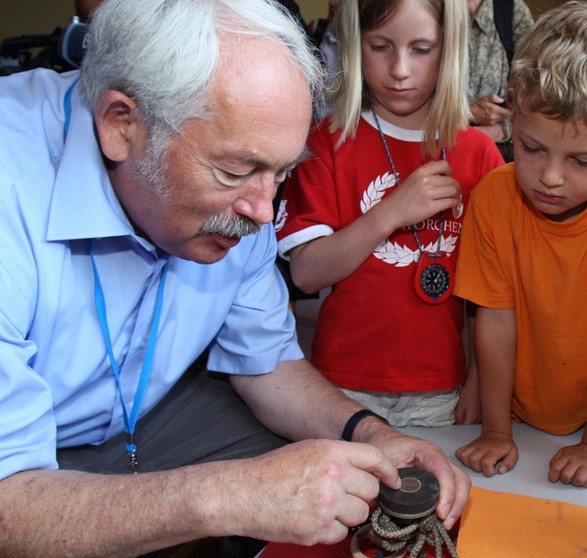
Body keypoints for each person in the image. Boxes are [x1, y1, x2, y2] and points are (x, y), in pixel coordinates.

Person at [0, 0, 471, 555]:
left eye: (283, 172)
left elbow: (266, 362)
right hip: (24, 462)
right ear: (120, 124)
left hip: (148, 419)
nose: (263, 212)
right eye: (235, 170)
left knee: (337, 476)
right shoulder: (13, 188)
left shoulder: (248, 195)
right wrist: (228, 496)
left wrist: (375, 435)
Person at [453, 1, 587, 488]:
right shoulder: (493, 194)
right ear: (514, 114)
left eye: (583, 161)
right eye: (531, 149)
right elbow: (493, 318)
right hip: (511, 397)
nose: (550, 178)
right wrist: (495, 428)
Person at [275, 0, 504, 428]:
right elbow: (306, 273)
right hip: (340, 388)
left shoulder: (480, 154)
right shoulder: (326, 143)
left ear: (450, 48)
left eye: (421, 49)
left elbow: (490, 296)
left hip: (443, 389)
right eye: (380, 46)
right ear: (355, 45)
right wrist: (391, 213)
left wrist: (477, 383)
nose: (399, 69)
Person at [466, 0, 534, 162]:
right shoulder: (433, 8)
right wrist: (466, 112)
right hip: (439, 145)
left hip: (496, 152)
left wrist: (501, 131)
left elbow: (537, 101)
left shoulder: (511, 11)